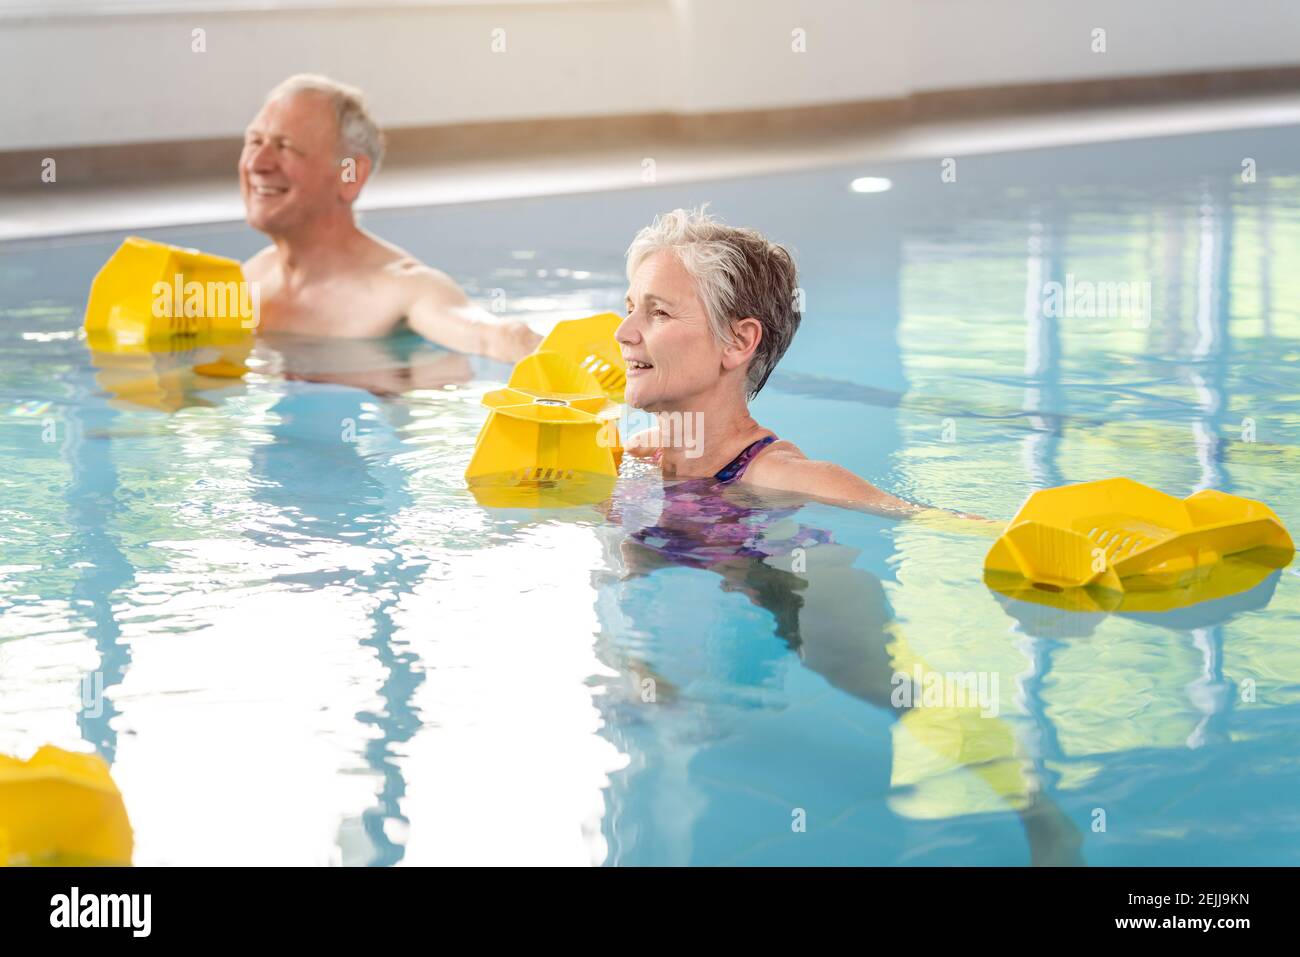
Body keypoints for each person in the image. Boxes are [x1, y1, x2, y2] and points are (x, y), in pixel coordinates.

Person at [616, 207, 971, 515]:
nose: (622, 332)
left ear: (738, 342)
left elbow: (946, 528)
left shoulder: (795, 481)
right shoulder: (637, 454)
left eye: (659, 312)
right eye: (630, 308)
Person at [240, 74, 540, 362]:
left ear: (350, 175)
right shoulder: (248, 280)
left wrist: (535, 351)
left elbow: (491, 337)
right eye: (254, 142)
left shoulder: (403, 290)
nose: (257, 163)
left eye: (285, 146)